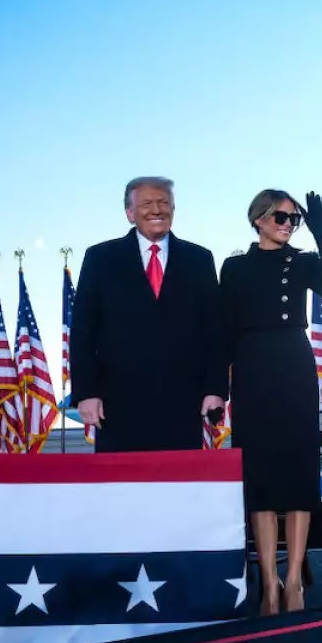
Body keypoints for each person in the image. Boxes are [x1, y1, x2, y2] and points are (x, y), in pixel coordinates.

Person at [220, 190, 322, 615]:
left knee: (295, 474)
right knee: (261, 478)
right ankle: (268, 582)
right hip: (253, 368)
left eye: (295, 218)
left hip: (294, 364)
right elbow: (223, 329)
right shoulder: (234, 267)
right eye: (280, 216)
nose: (288, 224)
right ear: (257, 218)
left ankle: (294, 582)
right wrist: (220, 386)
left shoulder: (304, 261)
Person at [68, 176, 228, 452]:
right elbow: (83, 332)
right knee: (121, 489)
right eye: (146, 203)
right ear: (130, 213)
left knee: (179, 487)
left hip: (183, 402)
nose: (157, 209)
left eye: (164, 202)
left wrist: (215, 389)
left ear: (173, 210)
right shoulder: (100, 258)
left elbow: (214, 331)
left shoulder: (200, 259)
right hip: (117, 403)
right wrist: (86, 393)